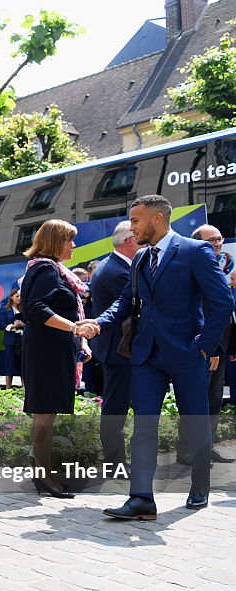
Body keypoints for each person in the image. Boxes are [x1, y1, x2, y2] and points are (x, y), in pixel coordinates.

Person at [80, 195, 232, 518]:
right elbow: (125, 303)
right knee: (143, 426)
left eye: (136, 221)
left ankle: (200, 487)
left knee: (195, 422)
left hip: (187, 354)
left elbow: (222, 301)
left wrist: (204, 345)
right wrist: (98, 323)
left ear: (157, 219)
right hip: (147, 355)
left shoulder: (196, 252)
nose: (132, 229)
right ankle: (141, 499)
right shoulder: (139, 259)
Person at [19, 219, 91, 499]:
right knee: (45, 415)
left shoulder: (47, 268)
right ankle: (45, 478)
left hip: (50, 349)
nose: (73, 245)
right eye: (69, 239)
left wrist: (79, 338)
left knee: (44, 414)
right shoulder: (47, 268)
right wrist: (75, 328)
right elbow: (36, 308)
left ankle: (42, 471)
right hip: (47, 351)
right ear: (55, 242)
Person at [176, 224, 236, 466]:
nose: (218, 243)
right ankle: (187, 450)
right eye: (212, 240)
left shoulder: (214, 267)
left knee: (213, 400)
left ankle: (206, 446)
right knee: (196, 400)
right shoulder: (194, 269)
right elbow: (200, 313)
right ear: (198, 243)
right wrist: (209, 348)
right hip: (205, 348)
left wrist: (229, 348)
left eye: (219, 239)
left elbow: (226, 313)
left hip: (219, 348)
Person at [89, 222, 139, 468]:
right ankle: (114, 462)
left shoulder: (114, 265)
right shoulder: (118, 271)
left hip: (117, 349)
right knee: (115, 407)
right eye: (139, 236)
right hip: (119, 350)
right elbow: (136, 307)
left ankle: (116, 458)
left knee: (116, 405)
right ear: (129, 240)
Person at [0, 288, 24, 389]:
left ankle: (24, 388)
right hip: (10, 340)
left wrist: (22, 325)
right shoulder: (5, 310)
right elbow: (1, 324)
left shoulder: (24, 309)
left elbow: (30, 323)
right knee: (10, 364)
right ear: (11, 297)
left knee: (23, 364)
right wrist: (13, 326)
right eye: (17, 296)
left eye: (20, 296)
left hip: (22, 339)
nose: (19, 298)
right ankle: (8, 388)